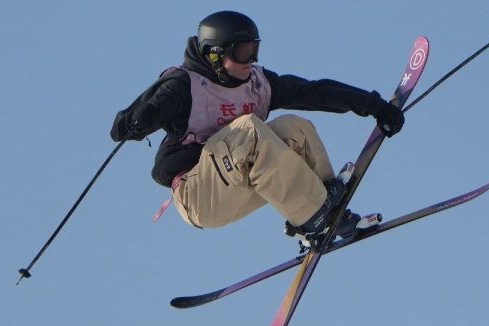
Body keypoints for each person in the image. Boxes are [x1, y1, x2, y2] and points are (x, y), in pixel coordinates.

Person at [111, 11, 404, 240]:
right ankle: (315, 216)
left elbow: (313, 92)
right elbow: (122, 126)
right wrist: (140, 121)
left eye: (254, 49)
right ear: (216, 53)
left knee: (295, 128)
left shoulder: (257, 84)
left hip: (239, 184)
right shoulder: (184, 87)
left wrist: (374, 106)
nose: (251, 60)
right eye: (242, 52)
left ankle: (326, 211)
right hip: (199, 194)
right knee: (248, 129)